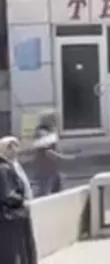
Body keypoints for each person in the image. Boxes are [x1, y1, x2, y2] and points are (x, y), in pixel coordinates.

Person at [0, 136, 38, 264]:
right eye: (10, 147)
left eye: (16, 146)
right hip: (9, 219)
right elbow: (7, 194)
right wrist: (21, 201)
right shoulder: (3, 169)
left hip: (16, 218)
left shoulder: (12, 166)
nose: (15, 150)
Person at [32, 111, 71, 196]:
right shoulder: (43, 133)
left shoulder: (49, 131)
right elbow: (47, 151)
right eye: (53, 119)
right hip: (46, 168)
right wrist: (63, 157)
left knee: (55, 190)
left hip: (52, 168)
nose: (56, 121)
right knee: (46, 193)